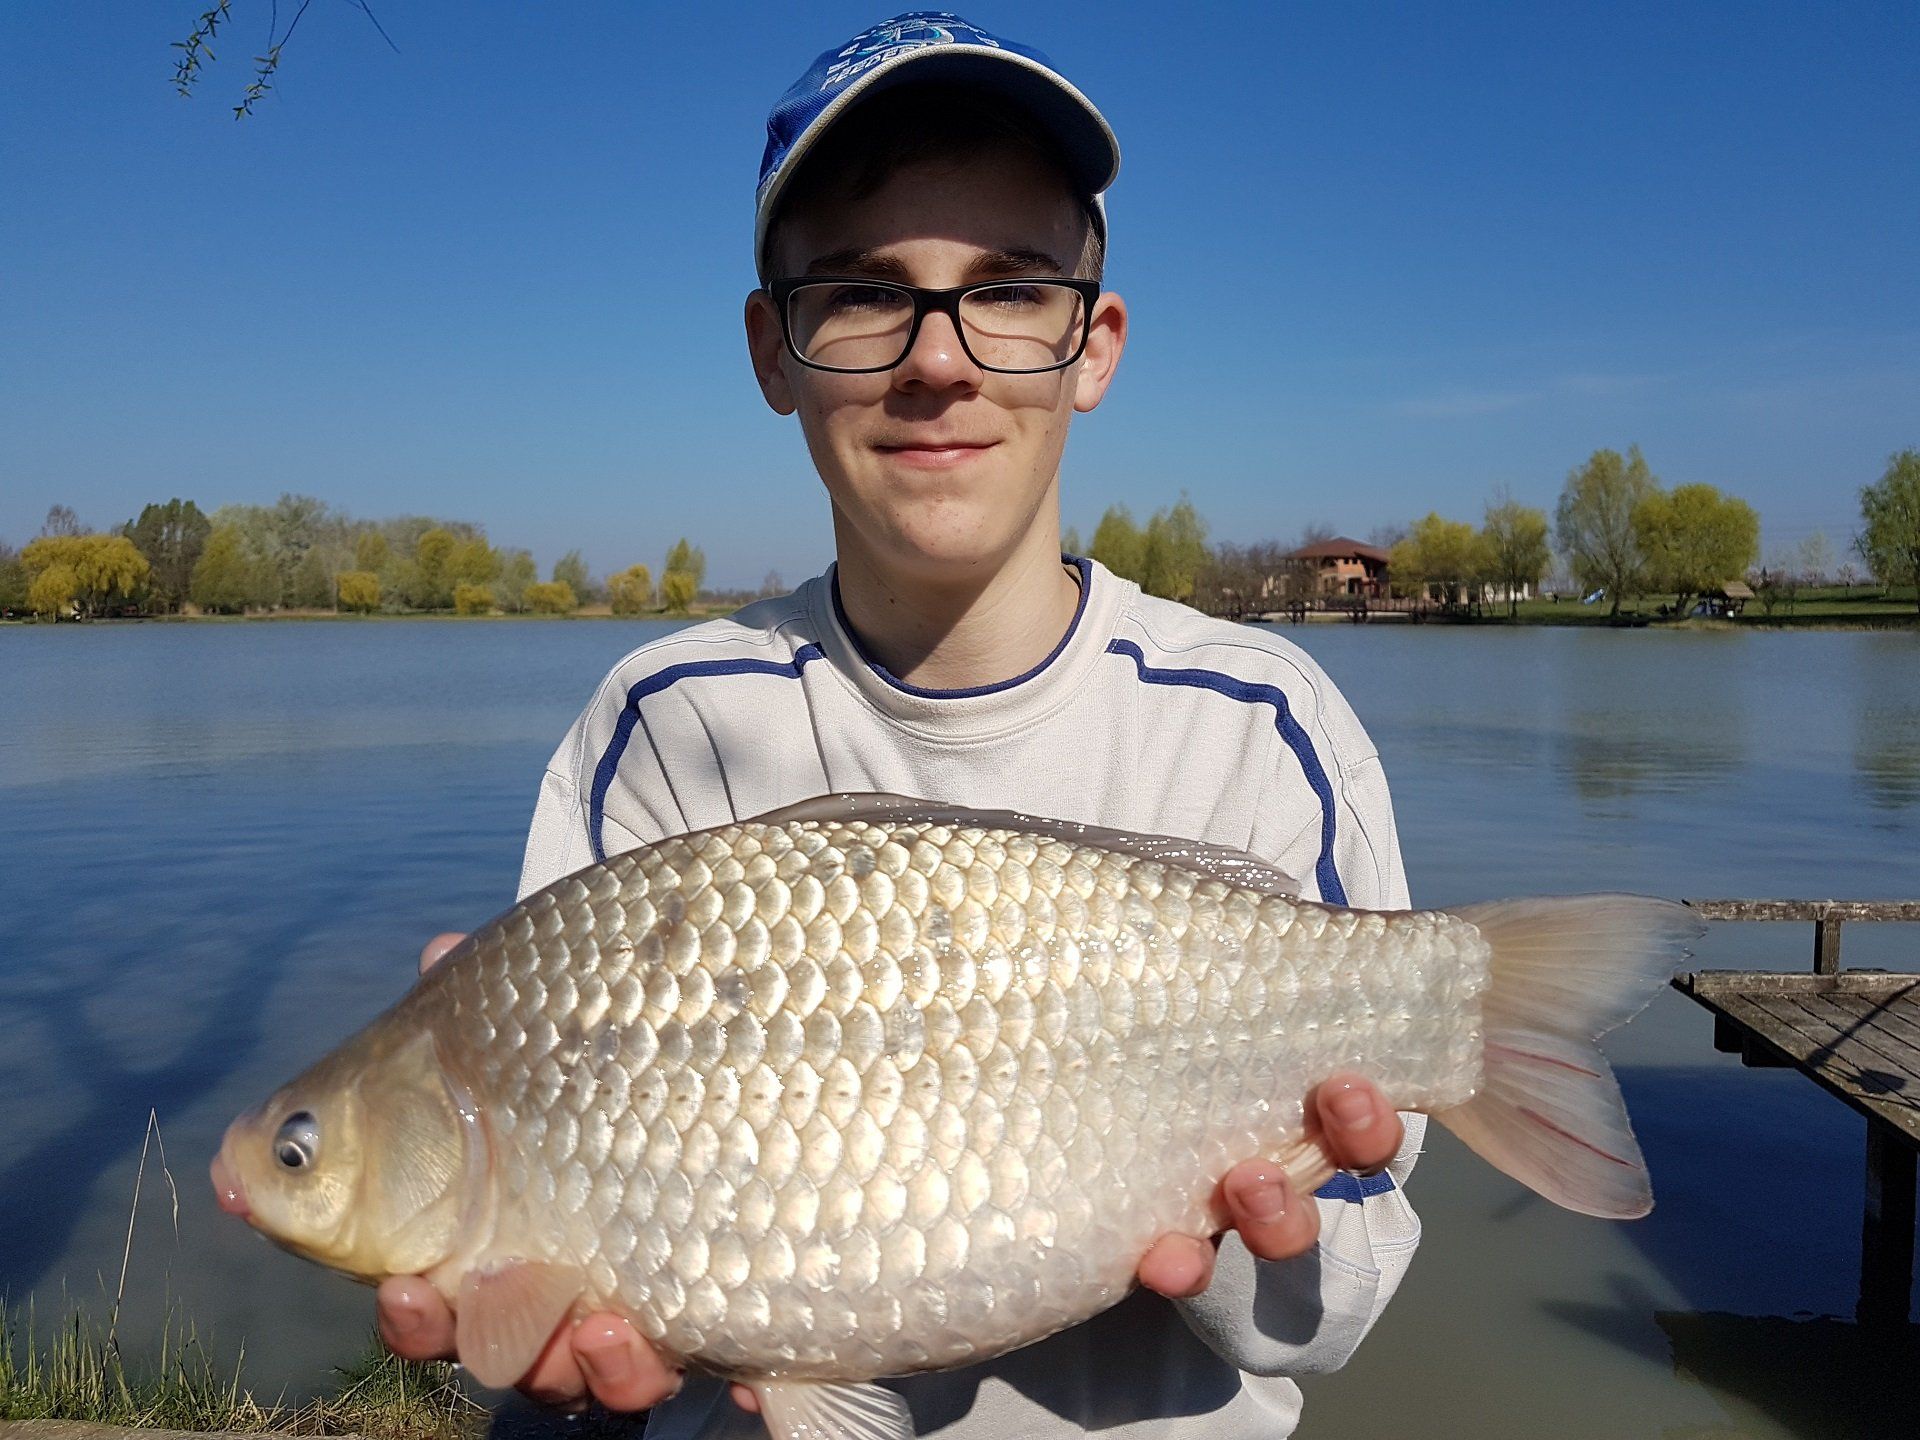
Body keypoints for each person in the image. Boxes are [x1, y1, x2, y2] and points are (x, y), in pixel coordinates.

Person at [377, 12, 1421, 1437]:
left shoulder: (1262, 726)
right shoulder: (665, 723)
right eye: (866, 294)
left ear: (1093, 343)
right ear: (774, 349)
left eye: (1009, 288)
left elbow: (1342, 1309)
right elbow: (565, 1312)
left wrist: (1227, 1214)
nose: (939, 360)